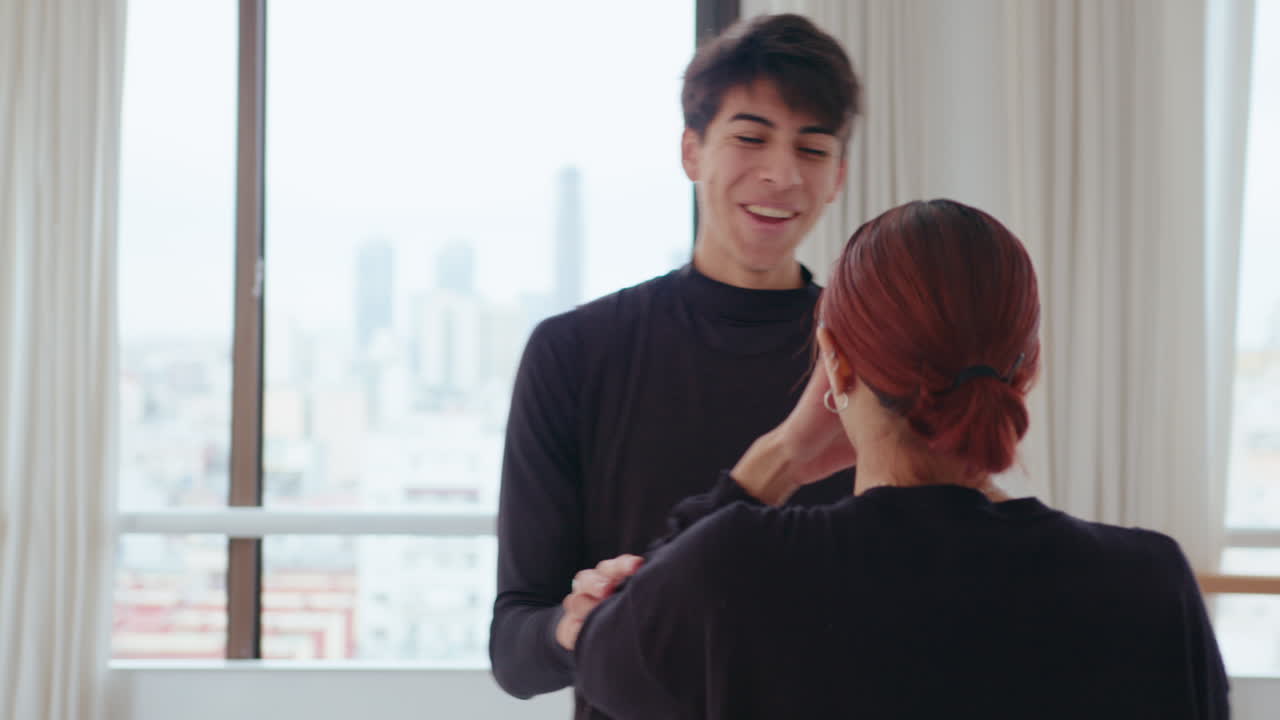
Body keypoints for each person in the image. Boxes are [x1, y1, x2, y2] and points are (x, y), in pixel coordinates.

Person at [571, 199, 1230, 719]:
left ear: (836, 363)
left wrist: (782, 457)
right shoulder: (1150, 585)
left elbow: (600, 644)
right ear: (1027, 366)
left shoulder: (731, 570)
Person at [489, 13, 862, 718]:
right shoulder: (574, 352)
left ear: (837, 177)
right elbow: (514, 650)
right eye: (750, 138)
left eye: (812, 149)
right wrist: (572, 625)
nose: (781, 174)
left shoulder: (869, 358)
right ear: (692, 151)